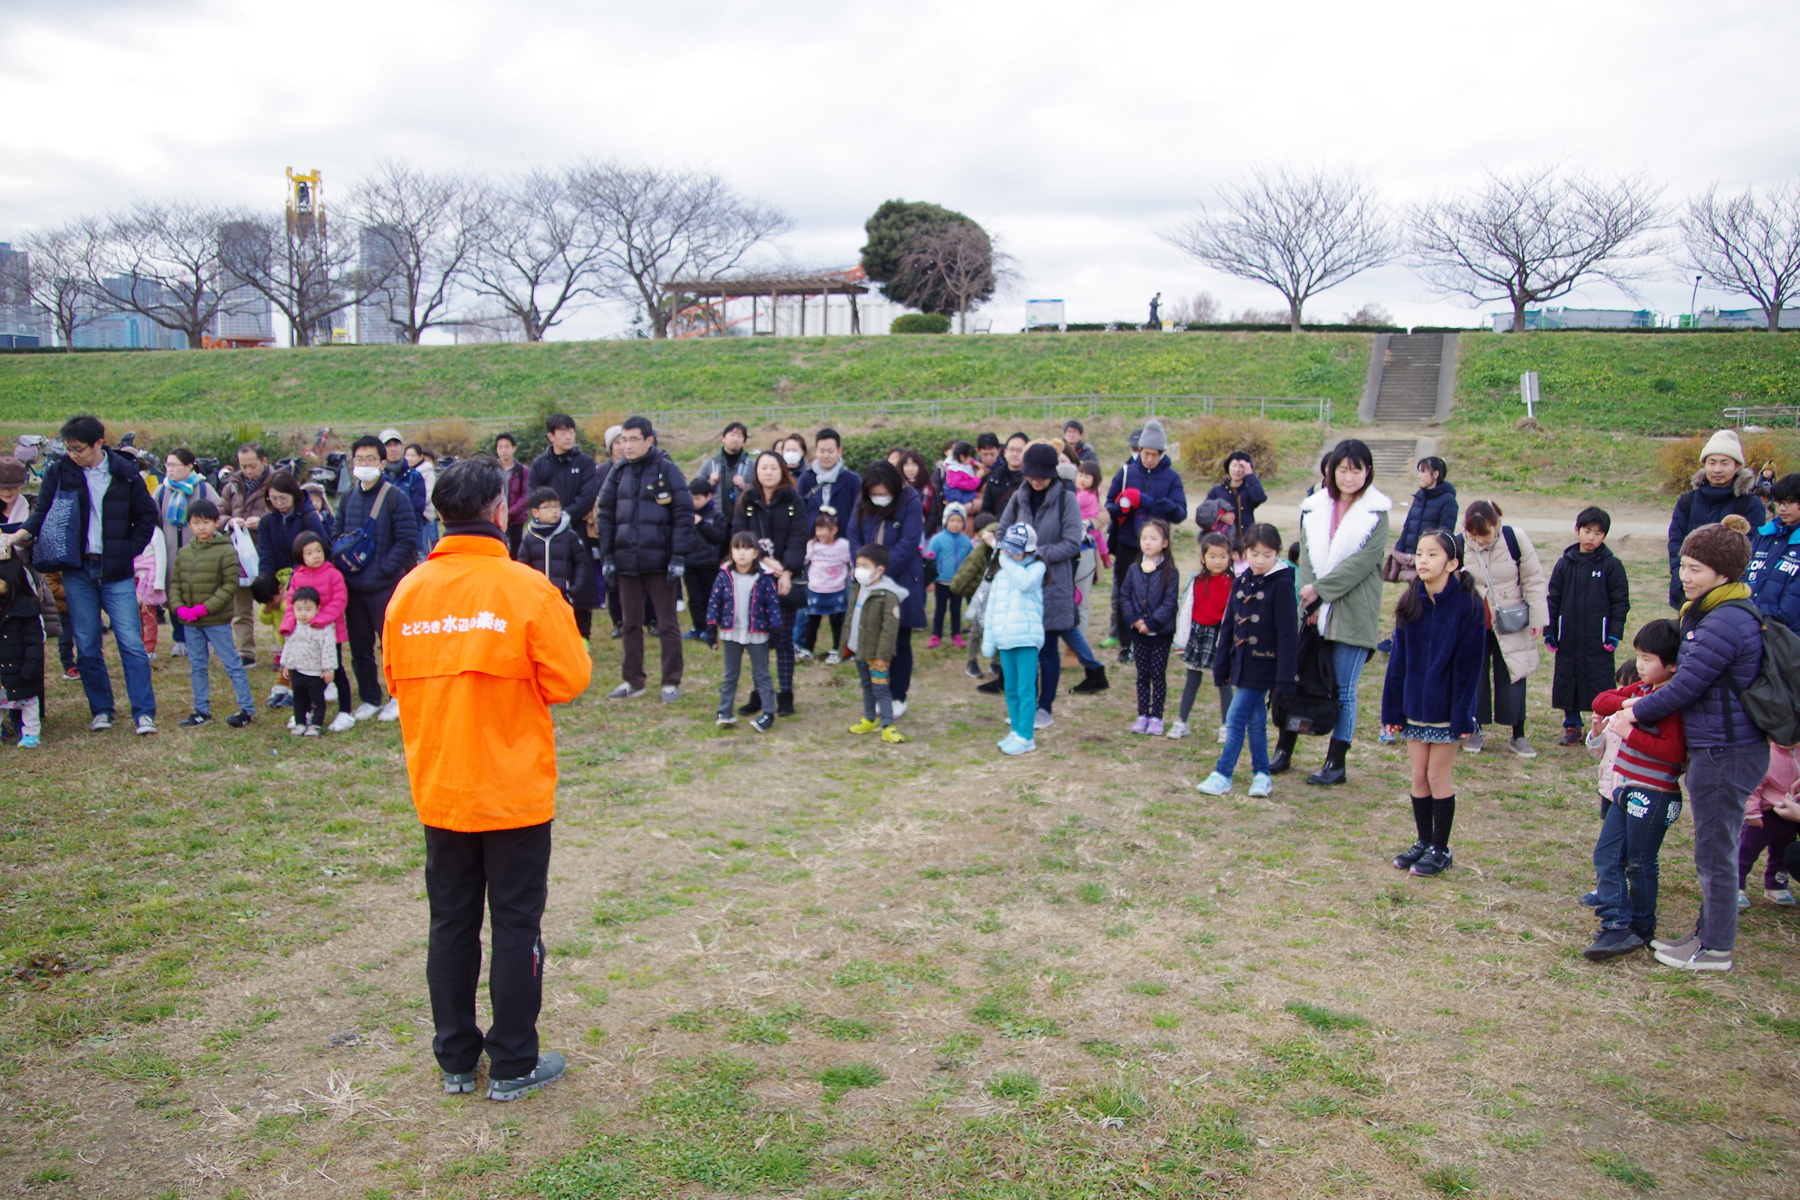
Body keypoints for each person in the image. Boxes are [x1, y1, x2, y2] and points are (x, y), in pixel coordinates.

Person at [381, 456, 591, 1102]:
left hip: (442, 785)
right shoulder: (526, 590)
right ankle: (512, 1064)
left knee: (450, 922)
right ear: (502, 512)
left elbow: (392, 678)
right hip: (512, 793)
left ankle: (454, 1059)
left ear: (438, 514)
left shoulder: (409, 593)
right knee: (515, 924)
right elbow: (571, 678)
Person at [1619, 522, 1769, 973]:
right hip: (1718, 747)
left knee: (1715, 851)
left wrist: (1634, 712)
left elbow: (1686, 686)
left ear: (1723, 573)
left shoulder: (1724, 620)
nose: (1684, 574)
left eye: (1696, 568)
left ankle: (1716, 948)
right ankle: (1705, 934)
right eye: (1683, 564)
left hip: (1728, 750)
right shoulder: (1711, 612)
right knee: (1710, 847)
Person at [2, 415, 160, 734]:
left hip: (115, 570)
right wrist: (18, 536)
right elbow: (41, 512)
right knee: (87, 646)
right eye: (69, 448)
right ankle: (101, 709)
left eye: (79, 449)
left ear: (98, 443)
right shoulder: (60, 472)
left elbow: (146, 517)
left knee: (130, 643)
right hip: (76, 570)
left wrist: (126, 548)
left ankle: (143, 712)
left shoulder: (125, 473)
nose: (73, 454)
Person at [1371, 531, 1485, 876]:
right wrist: (1392, 712)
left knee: (1438, 775)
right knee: (1418, 775)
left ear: (1452, 563)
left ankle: (1441, 847)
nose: (1422, 560)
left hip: (1447, 710)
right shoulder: (1411, 602)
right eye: (1419, 553)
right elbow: (1398, 663)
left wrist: (1462, 716)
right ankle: (1423, 842)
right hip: (1413, 708)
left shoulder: (1468, 605)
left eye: (1432, 554)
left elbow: (1470, 667)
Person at [1281, 438, 1390, 784]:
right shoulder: (1314, 507)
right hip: (1314, 609)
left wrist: (1321, 592)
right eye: (1343, 469)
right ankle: (1284, 750)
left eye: (1356, 470)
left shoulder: (1377, 513)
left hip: (1353, 611)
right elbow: (1308, 555)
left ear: (1367, 472)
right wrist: (1310, 598)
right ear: (1331, 470)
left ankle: (1336, 762)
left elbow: (1362, 563)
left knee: (1343, 688)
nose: (1348, 477)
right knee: (1299, 679)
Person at [1583, 620, 1686, 958]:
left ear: (1672, 665)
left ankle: (1641, 926)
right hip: (1625, 790)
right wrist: (1628, 706)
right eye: (1638, 657)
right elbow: (1600, 701)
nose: (1640, 666)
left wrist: (1630, 732)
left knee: (1640, 862)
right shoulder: (1642, 692)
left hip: (1653, 792)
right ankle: (1617, 923)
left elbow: (1674, 753)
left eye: (1648, 659)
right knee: (1606, 855)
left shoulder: (1672, 701)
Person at [1197, 523, 1300, 797]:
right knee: (1254, 722)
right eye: (1255, 554)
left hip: (1266, 666)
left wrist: (1286, 678)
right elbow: (1228, 628)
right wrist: (1222, 666)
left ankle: (1223, 773)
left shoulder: (1283, 584)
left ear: (1277, 553)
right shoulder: (1241, 581)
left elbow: (1289, 635)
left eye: (1268, 554)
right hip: (1241, 663)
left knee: (1235, 717)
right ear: (1244, 552)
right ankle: (1262, 775)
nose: (1261, 560)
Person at [596, 416, 694, 704]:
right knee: (629, 623)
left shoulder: (667, 469)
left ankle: (670, 683)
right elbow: (605, 515)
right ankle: (632, 680)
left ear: (649, 440)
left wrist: (678, 556)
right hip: (626, 561)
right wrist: (608, 557)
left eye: (633, 439)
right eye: (623, 440)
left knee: (667, 624)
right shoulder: (618, 472)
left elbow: (683, 514)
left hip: (660, 561)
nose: (626, 445)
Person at [1000, 443, 1091, 728]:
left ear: (1053, 473)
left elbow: (1071, 543)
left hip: (1053, 584)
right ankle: (1027, 703)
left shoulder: (1067, 500)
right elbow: (1002, 531)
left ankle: (1045, 707)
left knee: (1048, 648)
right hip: (1021, 584)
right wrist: (1015, 553)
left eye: (1041, 474)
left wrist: (1034, 554)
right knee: (1024, 648)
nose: (1035, 479)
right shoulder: (1018, 498)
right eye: (1031, 474)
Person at [334, 435, 420, 723]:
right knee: (359, 647)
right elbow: (337, 535)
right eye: (360, 459)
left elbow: (407, 539)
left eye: (371, 459)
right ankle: (370, 697)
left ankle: (399, 696)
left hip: (384, 585)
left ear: (383, 462)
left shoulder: (396, 497)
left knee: (392, 646)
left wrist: (386, 569)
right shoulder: (347, 498)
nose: (365, 464)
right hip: (353, 586)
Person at [1459, 500, 1549, 758]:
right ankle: (1474, 729)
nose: (1479, 540)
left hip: (1511, 619)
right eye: (1473, 534)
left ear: (1496, 524)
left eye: (1484, 534)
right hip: (1473, 622)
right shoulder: (1459, 543)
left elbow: (1533, 578)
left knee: (1514, 673)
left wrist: (1538, 619)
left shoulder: (1514, 538)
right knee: (1474, 675)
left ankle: (1518, 735)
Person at [728, 450, 806, 716]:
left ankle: (786, 694)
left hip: (784, 577)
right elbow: (739, 535)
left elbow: (799, 537)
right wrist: (761, 558)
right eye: (763, 468)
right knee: (755, 639)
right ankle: (759, 693)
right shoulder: (746, 500)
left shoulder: (793, 500)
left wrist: (786, 570)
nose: (768, 472)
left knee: (783, 639)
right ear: (756, 472)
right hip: (753, 577)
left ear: (782, 471)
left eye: (774, 467)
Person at [845, 460, 925, 715]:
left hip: (900, 578)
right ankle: (878, 692)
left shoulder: (910, 501)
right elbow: (854, 533)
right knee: (871, 636)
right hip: (867, 578)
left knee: (899, 638)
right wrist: (861, 567)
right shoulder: (862, 501)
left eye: (884, 493)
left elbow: (909, 541)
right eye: (875, 494)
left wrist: (879, 571)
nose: (879, 498)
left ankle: (898, 695)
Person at [1104, 418, 1187, 663]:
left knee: (1158, 592)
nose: (1149, 458)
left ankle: (1155, 636)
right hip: (1129, 542)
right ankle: (1125, 642)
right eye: (1145, 453)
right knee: (1125, 591)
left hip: (1158, 544)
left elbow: (1181, 513)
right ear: (1139, 450)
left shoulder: (1172, 477)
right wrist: (1122, 507)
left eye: (1154, 454)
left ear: (1162, 453)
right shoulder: (1126, 471)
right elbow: (1109, 504)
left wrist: (1163, 506)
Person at [1547, 506, 1632, 746]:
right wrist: (1550, 631)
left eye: (1598, 533)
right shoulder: (1565, 564)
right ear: (1577, 530)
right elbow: (1553, 599)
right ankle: (1572, 725)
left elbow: (1620, 602)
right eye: (1587, 531)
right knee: (1568, 680)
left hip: (1598, 638)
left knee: (1600, 681)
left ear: (1604, 535)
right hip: (1569, 637)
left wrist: (1614, 634)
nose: (1591, 537)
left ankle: (1604, 726)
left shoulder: (1612, 566)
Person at [171, 499, 255, 729]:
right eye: (196, 522)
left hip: (215, 620)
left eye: (206, 522)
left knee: (232, 663)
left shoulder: (226, 550)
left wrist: (204, 608)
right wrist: (179, 608)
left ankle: (246, 708)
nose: (201, 527)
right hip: (190, 622)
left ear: (216, 523)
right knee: (197, 665)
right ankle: (201, 710)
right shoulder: (185, 552)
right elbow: (176, 583)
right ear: (189, 524)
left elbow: (229, 585)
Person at [1666, 429, 1766, 610]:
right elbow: (1675, 542)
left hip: (1726, 597)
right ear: (1704, 465)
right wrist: (1682, 575)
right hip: (1687, 592)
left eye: (1724, 463)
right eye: (1712, 463)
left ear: (1737, 467)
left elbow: (1751, 550)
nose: (1717, 469)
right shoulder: (1688, 501)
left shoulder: (1750, 504)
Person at [705, 530, 781, 732]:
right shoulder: (724, 576)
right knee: (730, 674)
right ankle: (725, 712)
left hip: (757, 634)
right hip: (731, 633)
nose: (742, 553)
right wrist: (711, 626)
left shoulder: (764, 578)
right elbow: (714, 602)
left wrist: (775, 629)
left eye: (747, 548)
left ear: (756, 553)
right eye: (737, 548)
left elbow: (772, 605)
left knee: (761, 674)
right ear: (731, 551)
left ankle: (768, 712)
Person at [281, 531, 356, 733]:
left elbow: (339, 601)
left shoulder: (333, 574)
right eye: (309, 553)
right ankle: (303, 711)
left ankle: (345, 711)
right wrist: (289, 625)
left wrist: (319, 620)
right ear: (300, 556)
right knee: (302, 674)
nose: (316, 556)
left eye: (318, 551)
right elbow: (291, 603)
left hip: (329, 633)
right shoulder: (297, 576)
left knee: (335, 670)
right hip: (303, 637)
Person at [982, 523, 1046, 756]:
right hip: (1005, 640)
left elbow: (1025, 582)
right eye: (1006, 549)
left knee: (1025, 688)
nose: (1008, 554)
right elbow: (992, 609)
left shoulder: (1036, 568)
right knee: (1010, 688)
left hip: (1026, 640)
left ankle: (1026, 736)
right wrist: (989, 641)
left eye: (1014, 549)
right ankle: (1017, 730)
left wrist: (1006, 561)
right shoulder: (1001, 576)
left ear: (1028, 550)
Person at [1169, 532, 1235, 741]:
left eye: (1223, 556)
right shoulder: (1197, 580)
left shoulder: (1233, 583)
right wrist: (1182, 637)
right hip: (1198, 634)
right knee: (1192, 680)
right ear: (1203, 558)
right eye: (1213, 556)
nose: (1218, 561)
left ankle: (1227, 725)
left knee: (1223, 683)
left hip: (1219, 635)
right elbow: (1187, 609)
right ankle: (1182, 721)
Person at [841, 542, 908, 744]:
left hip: (876, 655)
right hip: (859, 650)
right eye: (857, 565)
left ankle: (888, 725)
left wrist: (882, 656)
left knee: (880, 688)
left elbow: (890, 629)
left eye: (864, 566)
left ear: (879, 570)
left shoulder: (887, 595)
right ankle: (869, 718)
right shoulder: (858, 589)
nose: (858, 570)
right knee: (866, 685)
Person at [1118, 517, 1181, 735]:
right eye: (1144, 538)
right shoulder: (1134, 569)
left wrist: (1153, 622)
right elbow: (1125, 595)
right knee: (1142, 675)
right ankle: (1142, 714)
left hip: (1160, 633)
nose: (1148, 543)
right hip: (1139, 632)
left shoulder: (1171, 572)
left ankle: (1157, 716)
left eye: (1153, 538)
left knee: (1157, 675)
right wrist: (1134, 620)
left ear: (1164, 542)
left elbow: (1170, 602)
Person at [514, 487, 600, 643]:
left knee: (567, 627)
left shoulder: (569, 536)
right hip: (538, 595)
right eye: (548, 507)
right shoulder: (529, 539)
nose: (554, 511)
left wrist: (574, 588)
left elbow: (581, 563)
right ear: (535, 512)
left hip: (564, 593)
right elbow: (522, 567)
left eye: (556, 506)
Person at [219, 441, 274, 665]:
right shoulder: (232, 485)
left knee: (274, 605)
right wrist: (230, 521)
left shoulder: (276, 483)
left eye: (252, 466)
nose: (248, 471)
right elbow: (218, 512)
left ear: (264, 461)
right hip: (239, 555)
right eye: (243, 466)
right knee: (241, 608)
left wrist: (263, 522)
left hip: (267, 552)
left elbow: (288, 511)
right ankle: (246, 651)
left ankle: (280, 652)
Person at [1740, 740, 1799, 910]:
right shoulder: (1766, 756)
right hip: (1765, 813)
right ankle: (1736, 885)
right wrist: (1752, 812)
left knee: (1783, 853)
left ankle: (1777, 885)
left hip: (1791, 815)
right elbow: (1752, 785)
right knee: (1747, 850)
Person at [1386, 456, 1457, 589]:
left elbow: (1445, 533)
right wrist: (1399, 550)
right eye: (1419, 471)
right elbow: (1408, 526)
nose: (1419, 476)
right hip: (1411, 558)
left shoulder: (1448, 500)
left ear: (1435, 474)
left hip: (1429, 559)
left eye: (1423, 471)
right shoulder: (1419, 496)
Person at [0, 553, 46, 748]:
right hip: (3, 669)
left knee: (28, 702)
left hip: (21, 665)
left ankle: (30, 732)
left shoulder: (27, 608)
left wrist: (31, 665)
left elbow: (34, 642)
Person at [279, 585, 337, 737]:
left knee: (318, 701)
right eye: (299, 609)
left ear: (317, 609)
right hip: (297, 671)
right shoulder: (293, 626)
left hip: (315, 674)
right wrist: (286, 664)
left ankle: (316, 725)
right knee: (298, 700)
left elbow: (328, 649)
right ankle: (300, 723)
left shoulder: (323, 628)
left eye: (308, 609)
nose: (303, 614)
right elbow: (288, 645)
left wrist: (328, 669)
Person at [949, 512, 999, 681]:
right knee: (976, 629)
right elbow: (969, 570)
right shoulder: (980, 551)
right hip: (981, 595)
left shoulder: (1002, 550)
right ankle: (972, 662)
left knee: (996, 630)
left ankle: (995, 663)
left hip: (997, 596)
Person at [1747, 472, 1800, 629]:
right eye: (1778, 503)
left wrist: (1777, 622)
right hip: (1750, 622)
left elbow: (1796, 592)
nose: (1782, 508)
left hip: (1785, 632)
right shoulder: (1765, 535)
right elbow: (1745, 572)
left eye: (1789, 503)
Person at [800, 511, 851, 662]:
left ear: (834, 530)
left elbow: (851, 561)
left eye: (823, 529)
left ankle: (837, 649)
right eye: (817, 529)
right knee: (812, 622)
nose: (819, 533)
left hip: (836, 590)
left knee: (837, 623)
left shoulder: (843, 545)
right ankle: (807, 648)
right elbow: (804, 560)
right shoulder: (813, 545)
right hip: (815, 589)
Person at [683, 476, 726, 644]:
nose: (694, 502)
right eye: (691, 498)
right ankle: (698, 628)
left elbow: (718, 536)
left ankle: (710, 628)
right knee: (694, 599)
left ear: (709, 496)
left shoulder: (716, 516)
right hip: (689, 563)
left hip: (709, 564)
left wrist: (701, 524)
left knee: (709, 599)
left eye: (697, 499)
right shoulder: (685, 515)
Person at [927, 504, 972, 648]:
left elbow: (971, 561)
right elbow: (930, 560)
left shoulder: (966, 541)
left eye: (959, 521)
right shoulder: (937, 539)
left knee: (956, 609)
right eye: (952, 520)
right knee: (940, 609)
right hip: (941, 581)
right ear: (946, 521)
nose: (955, 524)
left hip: (957, 583)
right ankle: (936, 635)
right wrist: (930, 580)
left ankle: (956, 635)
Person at [797, 427, 859, 529]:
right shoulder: (806, 478)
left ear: (839, 451)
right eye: (821, 451)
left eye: (830, 451)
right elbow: (799, 512)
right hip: (812, 541)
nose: (825, 456)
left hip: (844, 540)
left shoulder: (852, 480)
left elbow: (858, 514)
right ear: (816, 451)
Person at [1199, 451, 1267, 536]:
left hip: (1245, 539)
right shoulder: (1217, 491)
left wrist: (1250, 474)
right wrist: (1220, 516)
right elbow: (1203, 513)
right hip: (1222, 540)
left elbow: (1260, 498)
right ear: (1228, 468)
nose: (1237, 470)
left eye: (1241, 466)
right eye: (1234, 466)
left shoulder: (1250, 491)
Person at [697, 421, 755, 515]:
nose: (735, 439)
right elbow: (696, 489)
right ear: (723, 438)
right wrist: (709, 483)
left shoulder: (752, 464)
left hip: (743, 515)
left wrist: (745, 486)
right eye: (732, 435)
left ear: (744, 442)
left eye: (739, 436)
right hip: (715, 516)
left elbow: (760, 490)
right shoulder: (709, 463)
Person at [379, 429, 430, 523]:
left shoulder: (414, 476)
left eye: (396, 444)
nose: (393, 449)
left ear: (402, 446)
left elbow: (417, 509)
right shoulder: (376, 477)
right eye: (388, 445)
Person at [494, 432, 531, 555]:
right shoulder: (491, 469)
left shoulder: (523, 470)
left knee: (516, 551)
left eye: (507, 447)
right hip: (495, 518)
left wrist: (509, 513)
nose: (504, 450)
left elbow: (526, 495)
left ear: (514, 448)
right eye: (500, 447)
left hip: (516, 519)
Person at [978, 433, 1028, 520]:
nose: (1015, 454)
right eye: (1011, 449)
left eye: (1020, 450)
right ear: (1005, 452)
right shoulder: (994, 478)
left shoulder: (1032, 479)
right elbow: (986, 511)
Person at [406, 444, 441, 557]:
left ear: (420, 457)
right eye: (407, 455)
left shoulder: (427, 472)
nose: (410, 458)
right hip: (407, 513)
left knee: (422, 546)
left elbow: (429, 494)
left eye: (413, 455)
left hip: (423, 513)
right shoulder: (406, 472)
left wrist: (413, 504)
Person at [941, 442, 982, 507]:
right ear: (962, 457)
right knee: (980, 497)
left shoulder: (955, 460)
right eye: (969, 457)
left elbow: (967, 461)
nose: (970, 459)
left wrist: (974, 463)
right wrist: (978, 477)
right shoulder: (955, 472)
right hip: (956, 496)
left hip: (961, 491)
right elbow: (969, 485)